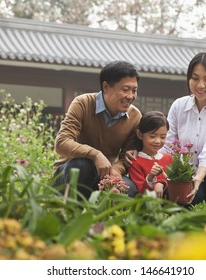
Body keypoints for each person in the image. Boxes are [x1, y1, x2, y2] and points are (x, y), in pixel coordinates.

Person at [127, 52, 206, 206]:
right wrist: (150, 161)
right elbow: (168, 146)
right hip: (187, 180)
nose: (200, 85)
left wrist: (198, 178)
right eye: (195, 78)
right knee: (184, 200)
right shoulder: (179, 106)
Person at [53, 60, 142, 199]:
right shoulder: (83, 103)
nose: (130, 96)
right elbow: (62, 142)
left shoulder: (135, 116)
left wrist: (116, 170)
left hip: (106, 175)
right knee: (83, 166)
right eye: (125, 89)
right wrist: (95, 154)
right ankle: (71, 215)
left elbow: (127, 157)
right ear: (106, 87)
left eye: (134, 90)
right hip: (70, 173)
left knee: (129, 189)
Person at [128, 111, 173, 198]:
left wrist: (161, 183)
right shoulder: (135, 162)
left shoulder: (169, 159)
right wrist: (150, 177)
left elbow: (175, 183)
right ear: (140, 134)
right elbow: (140, 192)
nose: (158, 141)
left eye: (163, 137)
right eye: (152, 136)